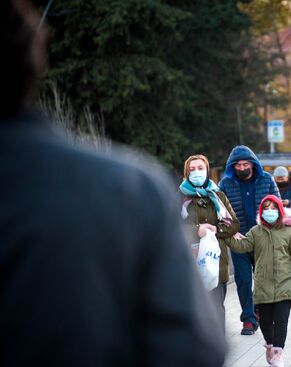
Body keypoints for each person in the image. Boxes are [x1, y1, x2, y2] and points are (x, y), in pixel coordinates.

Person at [0, 2, 226, 365]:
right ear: (33, 60)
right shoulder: (130, 188)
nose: (200, 172)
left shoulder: (151, 189)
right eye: (195, 167)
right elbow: (192, 345)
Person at [229, 195, 291, 367]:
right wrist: (226, 236)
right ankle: (269, 345)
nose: (269, 212)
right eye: (265, 209)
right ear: (261, 213)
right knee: (266, 322)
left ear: (280, 211)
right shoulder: (255, 232)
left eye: (273, 208)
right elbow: (242, 246)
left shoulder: (289, 232)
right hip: (263, 285)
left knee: (281, 320)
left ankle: (278, 353)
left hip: (286, 284)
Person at [219, 145, 280, 335]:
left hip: (262, 238)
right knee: (243, 280)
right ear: (233, 167)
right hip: (238, 239)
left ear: (253, 164)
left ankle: (259, 309)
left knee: (264, 279)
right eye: (238, 165)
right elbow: (219, 209)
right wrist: (230, 232)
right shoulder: (226, 184)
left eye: (246, 164)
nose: (242, 168)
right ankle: (248, 319)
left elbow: (277, 205)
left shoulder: (267, 180)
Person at [179, 154, 240, 333]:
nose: (196, 172)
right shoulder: (179, 197)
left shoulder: (218, 195)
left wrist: (214, 229)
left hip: (216, 264)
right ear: (186, 173)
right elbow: (170, 226)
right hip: (189, 264)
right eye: (192, 169)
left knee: (216, 310)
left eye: (200, 168)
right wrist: (196, 230)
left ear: (207, 171)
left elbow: (233, 224)